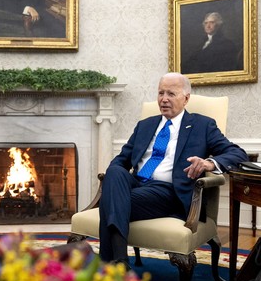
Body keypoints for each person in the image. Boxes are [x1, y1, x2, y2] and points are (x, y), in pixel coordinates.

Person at [99, 72, 248, 268]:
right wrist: (114, 180)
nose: (164, 99)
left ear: (186, 98)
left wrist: (208, 164)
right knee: (115, 171)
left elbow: (238, 154)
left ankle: (111, 264)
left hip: (169, 191)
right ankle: (119, 262)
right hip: (137, 184)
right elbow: (121, 160)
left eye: (171, 93)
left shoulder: (202, 125)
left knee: (110, 201)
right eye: (161, 93)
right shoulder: (145, 125)